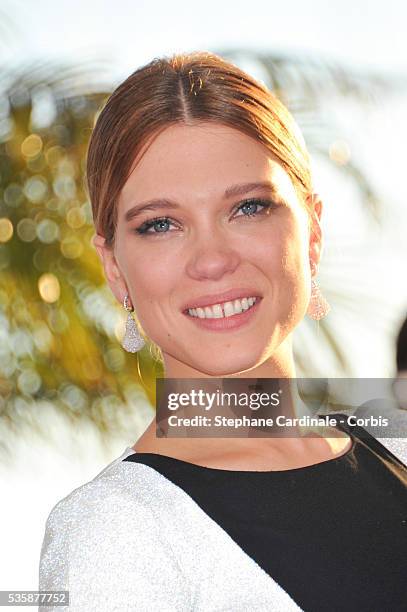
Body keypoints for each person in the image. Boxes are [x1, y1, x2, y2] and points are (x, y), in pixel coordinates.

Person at [39, 51, 407, 612]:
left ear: (312, 233)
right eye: (160, 224)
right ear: (115, 268)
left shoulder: (396, 445)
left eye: (249, 208)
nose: (211, 260)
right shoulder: (115, 532)